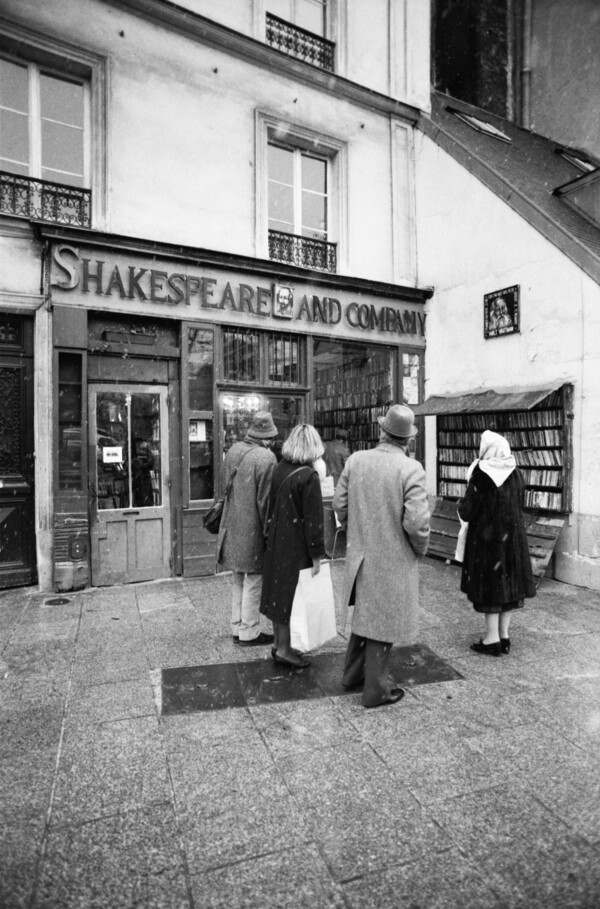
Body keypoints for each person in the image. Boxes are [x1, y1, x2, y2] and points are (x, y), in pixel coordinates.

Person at [333, 404, 430, 708]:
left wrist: (358, 530)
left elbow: (339, 504)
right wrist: (419, 548)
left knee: (367, 612)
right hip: (394, 556)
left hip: (361, 554)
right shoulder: (411, 469)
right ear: (407, 440)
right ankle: (375, 690)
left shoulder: (357, 460)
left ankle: (352, 675)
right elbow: (416, 522)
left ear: (381, 431)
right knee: (383, 620)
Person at [459, 429, 536, 656]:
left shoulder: (481, 474)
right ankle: (504, 636)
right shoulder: (516, 473)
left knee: (490, 585)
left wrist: (461, 505)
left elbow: (468, 510)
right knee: (509, 583)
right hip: (512, 539)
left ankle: (491, 639)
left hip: (487, 540)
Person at [260, 424, 326, 669]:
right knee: (291, 597)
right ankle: (286, 649)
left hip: (278, 540)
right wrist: (317, 554)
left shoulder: (280, 468)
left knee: (278, 593)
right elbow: (314, 519)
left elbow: (272, 503)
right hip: (296, 545)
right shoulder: (309, 476)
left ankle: (279, 644)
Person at [216, 412, 278, 646]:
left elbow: (226, 487)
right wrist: (269, 533)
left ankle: (236, 625)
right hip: (253, 527)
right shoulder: (267, 458)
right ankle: (249, 630)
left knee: (238, 577)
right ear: (268, 436)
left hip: (233, 523)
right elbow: (265, 502)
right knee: (254, 578)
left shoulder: (233, 451)